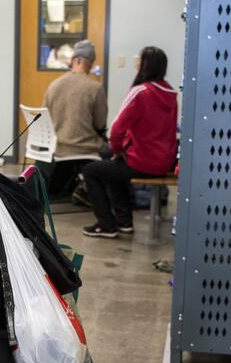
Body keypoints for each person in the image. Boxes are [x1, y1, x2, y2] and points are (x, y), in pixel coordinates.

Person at [81, 46, 179, 238]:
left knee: (91, 170)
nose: (135, 61)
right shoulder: (170, 93)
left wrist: (117, 149)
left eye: (138, 58)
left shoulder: (140, 92)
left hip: (143, 162)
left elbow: (117, 128)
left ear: (145, 65)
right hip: (164, 161)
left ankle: (106, 224)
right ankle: (123, 221)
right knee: (111, 164)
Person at [37, 39, 108, 194]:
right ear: (89, 62)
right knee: (111, 152)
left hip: (56, 148)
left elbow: (43, 119)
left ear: (74, 59)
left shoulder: (54, 85)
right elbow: (100, 123)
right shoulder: (95, 88)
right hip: (86, 148)